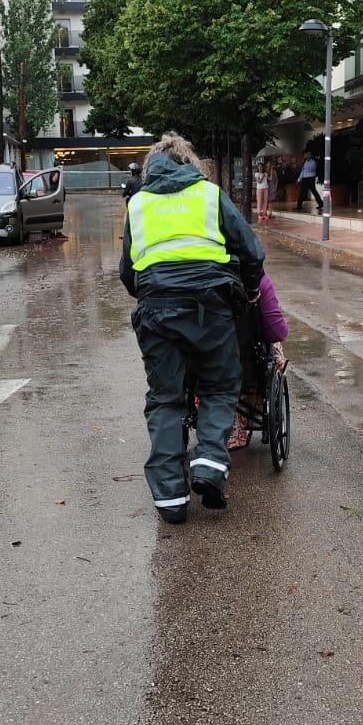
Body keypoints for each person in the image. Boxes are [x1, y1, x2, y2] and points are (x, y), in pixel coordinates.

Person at [120, 134, 264, 524]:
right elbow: (251, 251)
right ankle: (209, 462)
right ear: (191, 163)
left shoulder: (138, 204)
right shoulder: (209, 195)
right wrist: (249, 290)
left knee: (166, 398)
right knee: (219, 387)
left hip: (156, 310)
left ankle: (170, 498)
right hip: (210, 306)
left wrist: (152, 293)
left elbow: (127, 273)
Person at [227, 271, 289, 451]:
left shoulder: (196, 274)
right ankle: (244, 419)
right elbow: (277, 332)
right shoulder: (257, 280)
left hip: (207, 366)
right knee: (274, 346)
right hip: (247, 365)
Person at [295, 149, 322, 214]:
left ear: (310, 155)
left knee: (314, 191)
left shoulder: (313, 162)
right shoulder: (305, 162)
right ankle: (299, 206)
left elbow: (311, 170)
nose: (306, 155)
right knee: (302, 192)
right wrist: (299, 179)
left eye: (308, 155)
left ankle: (321, 203)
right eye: (306, 154)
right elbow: (303, 171)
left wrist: (306, 165)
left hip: (310, 178)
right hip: (305, 178)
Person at [255, 161, 270, 225]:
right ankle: (259, 214)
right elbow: (259, 182)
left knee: (265, 201)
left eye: (261, 167)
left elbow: (270, 179)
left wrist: (270, 171)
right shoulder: (257, 174)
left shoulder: (266, 173)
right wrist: (263, 176)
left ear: (263, 167)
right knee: (260, 201)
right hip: (259, 189)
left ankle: (265, 213)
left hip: (266, 188)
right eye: (259, 167)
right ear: (258, 168)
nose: (260, 168)